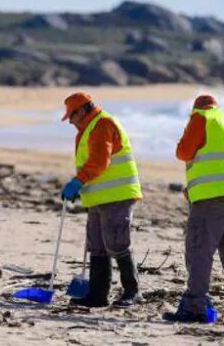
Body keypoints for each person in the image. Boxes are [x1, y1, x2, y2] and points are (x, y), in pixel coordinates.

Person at [163, 94, 224, 324]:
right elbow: (223, 161)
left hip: (210, 198)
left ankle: (195, 307)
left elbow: (183, 152)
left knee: (199, 250)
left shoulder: (201, 117)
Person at [60, 92, 143, 308]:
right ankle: (97, 295)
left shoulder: (102, 124)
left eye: (71, 115)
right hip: (98, 197)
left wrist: (78, 181)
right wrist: (81, 185)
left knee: (117, 243)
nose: (70, 121)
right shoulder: (89, 127)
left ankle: (133, 291)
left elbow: (99, 162)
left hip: (117, 195)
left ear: (82, 110)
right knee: (97, 246)